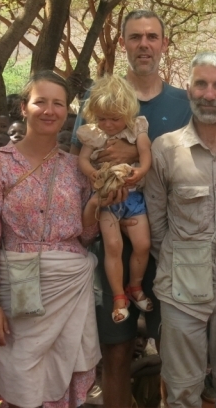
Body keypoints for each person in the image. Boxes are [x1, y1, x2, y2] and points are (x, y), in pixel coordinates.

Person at [70, 10, 192, 408]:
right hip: (110, 247)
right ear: (123, 43)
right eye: (136, 37)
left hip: (168, 246)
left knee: (173, 349)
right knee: (116, 349)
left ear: (164, 44)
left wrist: (141, 154)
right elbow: (79, 161)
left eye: (152, 37)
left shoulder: (183, 103)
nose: (144, 44)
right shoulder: (101, 98)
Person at [0, 71, 107, 408]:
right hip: (20, 287)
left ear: (66, 111)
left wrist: (97, 203)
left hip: (70, 286)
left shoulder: (76, 167)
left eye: (58, 104)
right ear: (24, 107)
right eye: (40, 102)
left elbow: (87, 235)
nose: (49, 110)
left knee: (70, 377)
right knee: (21, 377)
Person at [145, 52, 216, 407]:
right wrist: (187, 261)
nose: (209, 94)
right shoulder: (165, 149)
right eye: (201, 84)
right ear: (189, 89)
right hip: (181, 293)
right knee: (181, 392)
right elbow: (157, 225)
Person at [77, 74, 153, 323]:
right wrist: (93, 173)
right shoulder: (94, 134)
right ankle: (119, 296)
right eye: (102, 119)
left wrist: (140, 171)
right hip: (107, 199)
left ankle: (135, 286)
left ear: (128, 113)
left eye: (114, 118)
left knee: (142, 244)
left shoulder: (137, 129)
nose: (108, 124)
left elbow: (145, 155)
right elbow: (83, 160)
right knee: (113, 246)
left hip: (133, 199)